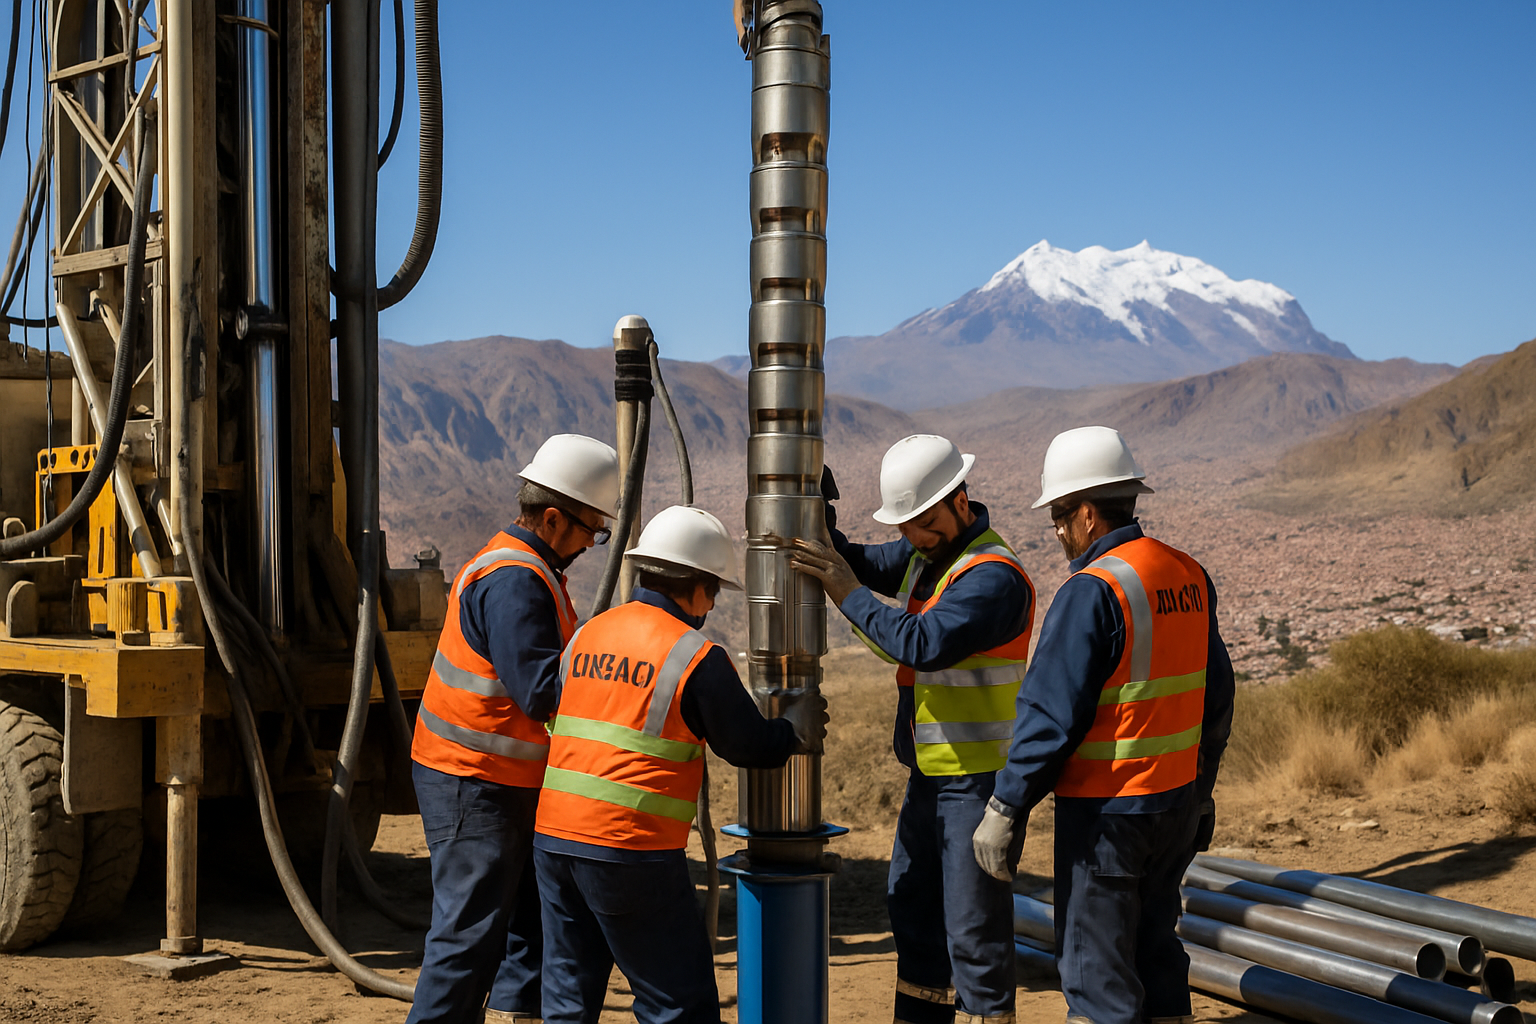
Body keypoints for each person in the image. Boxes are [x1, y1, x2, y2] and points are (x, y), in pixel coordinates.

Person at [971, 425, 1235, 1024]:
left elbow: (1049, 715)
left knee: (1097, 976)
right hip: (1174, 801)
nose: (1059, 533)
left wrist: (1006, 807)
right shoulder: (1187, 573)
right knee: (1156, 954)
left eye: (1060, 518)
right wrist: (1203, 789)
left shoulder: (1093, 589)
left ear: (1087, 514)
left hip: (1108, 816)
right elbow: (1215, 693)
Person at [534, 505, 829, 1024]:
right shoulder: (693, 654)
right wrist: (792, 729)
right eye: (713, 590)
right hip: (629, 850)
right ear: (693, 586)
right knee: (677, 1005)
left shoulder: (588, 634)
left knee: (568, 998)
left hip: (555, 841)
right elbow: (747, 745)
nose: (712, 604)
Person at [789, 436, 1035, 1024]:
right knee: (913, 912)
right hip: (930, 776)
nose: (911, 539)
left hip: (975, 788)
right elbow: (867, 563)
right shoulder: (932, 552)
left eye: (921, 524)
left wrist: (845, 593)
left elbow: (919, 644)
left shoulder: (993, 578)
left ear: (960, 502)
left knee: (973, 935)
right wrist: (818, 519)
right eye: (907, 526)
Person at [407, 434, 620, 1024]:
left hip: (506, 781)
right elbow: (539, 692)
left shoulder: (531, 567)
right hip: (473, 781)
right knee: (467, 938)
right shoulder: (516, 580)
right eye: (590, 530)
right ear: (553, 519)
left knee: (530, 926)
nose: (590, 543)